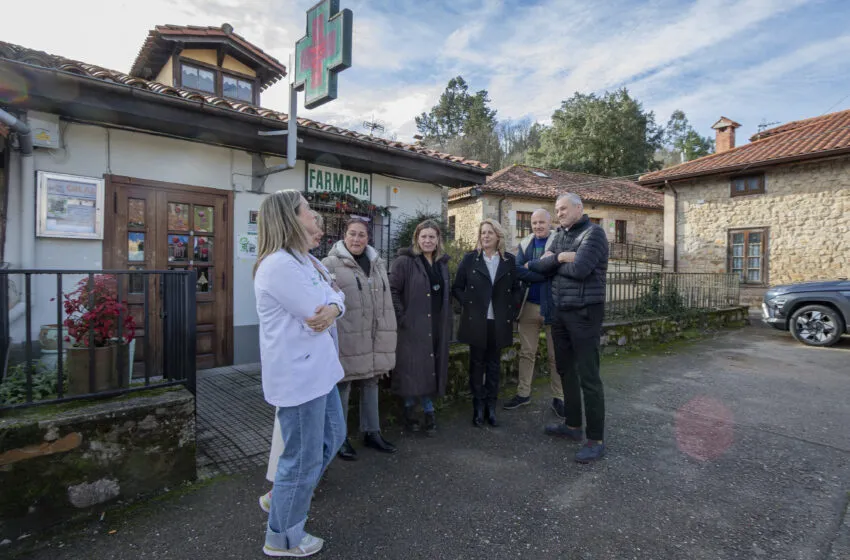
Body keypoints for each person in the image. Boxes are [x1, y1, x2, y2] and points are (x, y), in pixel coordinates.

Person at [253, 190, 347, 557]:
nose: (313, 215)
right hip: (300, 378)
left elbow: (335, 297)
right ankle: (283, 537)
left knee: (332, 436)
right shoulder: (278, 265)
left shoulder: (303, 260)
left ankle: (282, 496)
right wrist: (331, 307)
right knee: (301, 458)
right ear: (291, 217)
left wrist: (334, 308)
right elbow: (314, 314)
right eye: (307, 209)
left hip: (320, 373)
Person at [528, 193, 609, 463]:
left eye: (563, 208)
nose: (559, 213)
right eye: (557, 209)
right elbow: (540, 268)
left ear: (579, 208)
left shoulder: (594, 234)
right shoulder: (559, 235)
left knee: (588, 376)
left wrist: (556, 260)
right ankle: (573, 426)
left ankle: (595, 439)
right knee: (565, 371)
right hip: (561, 313)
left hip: (585, 313)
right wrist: (564, 257)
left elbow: (582, 269)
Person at [322, 218, 398, 459]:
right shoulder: (329, 264)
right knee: (343, 385)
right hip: (347, 335)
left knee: (371, 381)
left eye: (361, 235)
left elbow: (385, 302)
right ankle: (339, 437)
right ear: (344, 236)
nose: (356, 239)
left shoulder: (377, 263)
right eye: (352, 234)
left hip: (374, 335)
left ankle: (372, 432)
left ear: (368, 238)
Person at [452, 219, 522, 427]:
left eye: (490, 233)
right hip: (477, 322)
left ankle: (491, 407)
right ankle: (478, 407)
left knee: (493, 366)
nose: (485, 236)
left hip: (498, 322)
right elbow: (457, 287)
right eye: (483, 233)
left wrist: (512, 307)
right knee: (476, 364)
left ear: (498, 236)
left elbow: (517, 288)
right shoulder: (470, 259)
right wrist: (469, 305)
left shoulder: (508, 260)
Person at [389, 220, 451, 436]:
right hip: (411, 326)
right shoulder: (404, 262)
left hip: (435, 326)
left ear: (438, 240)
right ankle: (412, 413)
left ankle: (427, 411)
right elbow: (392, 290)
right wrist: (402, 317)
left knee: (430, 369)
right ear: (416, 239)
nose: (427, 240)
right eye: (423, 236)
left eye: (432, 237)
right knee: (411, 370)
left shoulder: (441, 263)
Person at [503, 209, 565, 418]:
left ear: (550, 223)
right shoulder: (525, 244)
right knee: (526, 353)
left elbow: (559, 269)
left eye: (542, 222)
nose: (538, 226)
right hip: (528, 305)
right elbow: (518, 269)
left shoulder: (559, 242)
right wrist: (543, 273)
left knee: (556, 355)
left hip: (553, 306)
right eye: (535, 223)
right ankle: (523, 393)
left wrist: (535, 268)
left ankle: (560, 398)